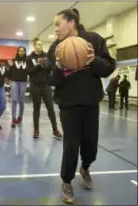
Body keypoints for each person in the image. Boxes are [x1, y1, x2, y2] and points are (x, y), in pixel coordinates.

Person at [46, 8, 116, 204]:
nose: (55, 29)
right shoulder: (55, 48)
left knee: (90, 145)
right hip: (68, 105)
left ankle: (85, 167)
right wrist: (59, 68)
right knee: (70, 146)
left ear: (71, 23)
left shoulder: (93, 39)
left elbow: (109, 67)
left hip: (90, 102)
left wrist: (93, 60)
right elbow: (52, 80)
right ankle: (67, 182)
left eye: (58, 24)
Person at [26, 37, 62, 139]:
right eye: (38, 44)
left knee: (50, 107)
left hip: (46, 85)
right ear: (34, 46)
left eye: (41, 44)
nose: (40, 46)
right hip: (34, 85)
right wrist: (38, 65)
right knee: (36, 108)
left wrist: (45, 64)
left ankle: (55, 130)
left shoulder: (47, 56)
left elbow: (49, 69)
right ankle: (36, 130)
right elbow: (29, 71)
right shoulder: (29, 58)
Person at [7, 46, 28, 127]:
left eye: (23, 51)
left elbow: (30, 71)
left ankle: (20, 117)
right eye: (20, 51)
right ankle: (13, 118)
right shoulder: (13, 60)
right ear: (17, 52)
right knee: (14, 99)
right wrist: (10, 66)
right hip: (14, 81)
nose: (21, 52)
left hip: (23, 82)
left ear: (25, 52)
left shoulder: (27, 61)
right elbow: (9, 73)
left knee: (21, 101)